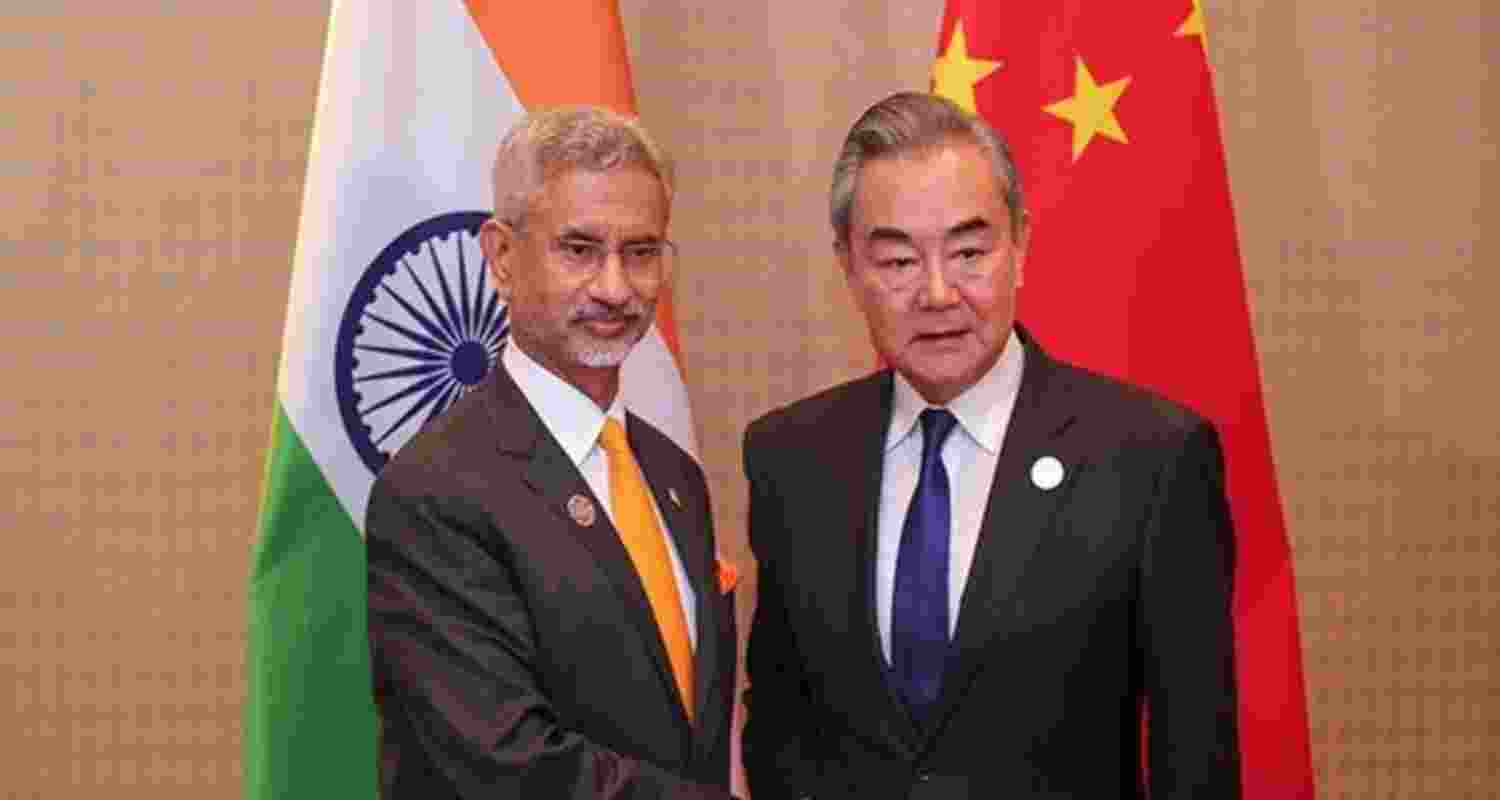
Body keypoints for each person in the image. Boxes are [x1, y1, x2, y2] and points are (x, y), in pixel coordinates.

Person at [741, 91, 1240, 798]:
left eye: (969, 252)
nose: (938, 294)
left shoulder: (1150, 459)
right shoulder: (791, 458)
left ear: (1020, 246)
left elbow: (1194, 754)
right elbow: (779, 725)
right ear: (849, 266)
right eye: (898, 261)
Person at [367, 106, 737, 799]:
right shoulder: (435, 491)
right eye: (579, 249)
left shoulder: (673, 475)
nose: (614, 288)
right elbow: (504, 763)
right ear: (502, 257)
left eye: (641, 252)